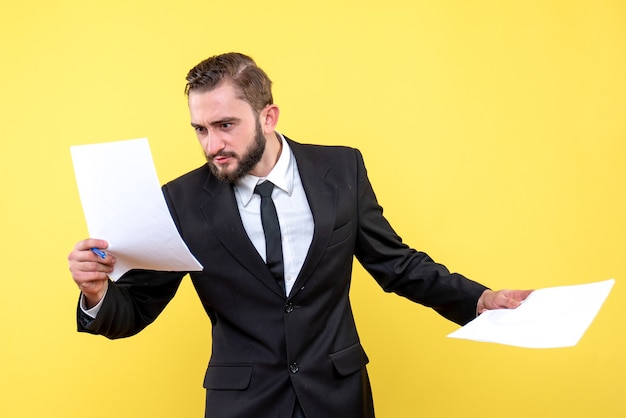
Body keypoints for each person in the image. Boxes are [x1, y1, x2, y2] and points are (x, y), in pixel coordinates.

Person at [68, 52, 531, 418]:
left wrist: (479, 300)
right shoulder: (180, 201)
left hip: (338, 396)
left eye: (226, 125)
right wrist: (96, 292)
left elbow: (397, 264)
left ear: (268, 116)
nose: (213, 145)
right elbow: (136, 308)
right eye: (201, 130)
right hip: (243, 404)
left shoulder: (341, 168)